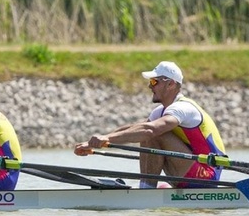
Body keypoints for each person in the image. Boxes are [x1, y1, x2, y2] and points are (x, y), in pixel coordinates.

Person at [74, 61, 226, 188]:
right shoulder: (161, 111)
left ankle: (146, 190)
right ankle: (150, 189)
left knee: (153, 133)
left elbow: (149, 130)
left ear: (171, 84)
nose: (150, 86)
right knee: (146, 130)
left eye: (154, 82)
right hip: (190, 172)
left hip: (206, 174)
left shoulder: (183, 108)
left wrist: (107, 138)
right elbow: (136, 128)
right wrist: (98, 141)